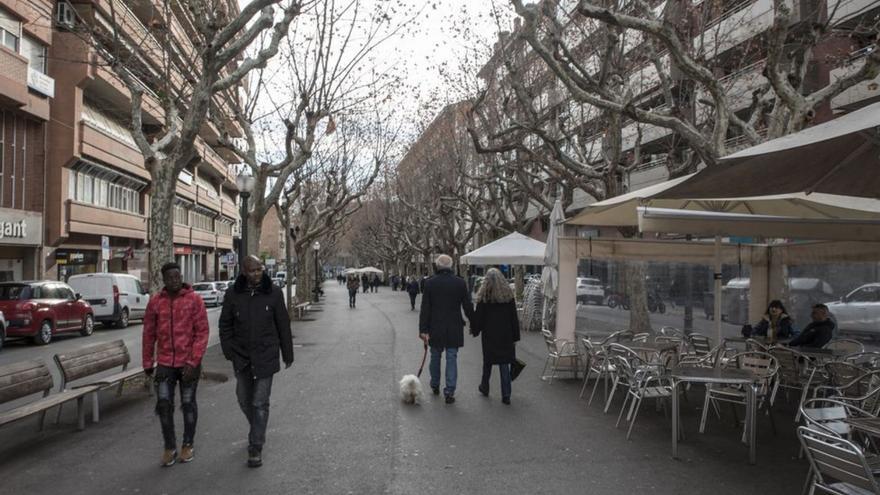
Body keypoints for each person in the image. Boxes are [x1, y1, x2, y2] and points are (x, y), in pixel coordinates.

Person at [219, 255, 294, 468]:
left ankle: (255, 446)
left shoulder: (274, 293)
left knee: (260, 401)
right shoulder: (233, 294)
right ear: (244, 271)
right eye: (252, 270)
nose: (256, 274)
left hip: (266, 354)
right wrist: (228, 350)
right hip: (241, 356)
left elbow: (283, 325)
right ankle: (257, 428)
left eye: (259, 269)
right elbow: (225, 325)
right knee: (244, 398)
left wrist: (287, 354)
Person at [142, 261, 210, 467]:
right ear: (163, 280)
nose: (174, 281)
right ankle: (169, 447)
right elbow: (149, 334)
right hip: (164, 363)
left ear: (181, 277)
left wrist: (194, 360)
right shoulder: (155, 302)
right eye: (170, 278)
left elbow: (202, 332)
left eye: (177, 277)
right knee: (163, 405)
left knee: (188, 404)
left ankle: (187, 444)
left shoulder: (194, 300)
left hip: (188, 363)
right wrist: (147, 361)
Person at [419, 254, 474, 404]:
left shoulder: (430, 283)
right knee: (452, 357)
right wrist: (474, 323)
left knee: (435, 356)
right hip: (454, 326)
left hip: (435, 326)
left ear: (437, 266)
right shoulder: (460, 283)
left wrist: (423, 330)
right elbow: (467, 306)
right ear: (451, 266)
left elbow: (425, 308)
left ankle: (435, 384)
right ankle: (449, 390)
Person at [471, 268, 520, 405]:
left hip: (489, 335)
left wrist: (475, 330)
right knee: (504, 364)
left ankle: (485, 387)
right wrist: (515, 337)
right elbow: (513, 318)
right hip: (506, 335)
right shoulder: (508, 296)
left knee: (488, 362)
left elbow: (479, 319)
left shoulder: (484, 298)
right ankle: (506, 394)